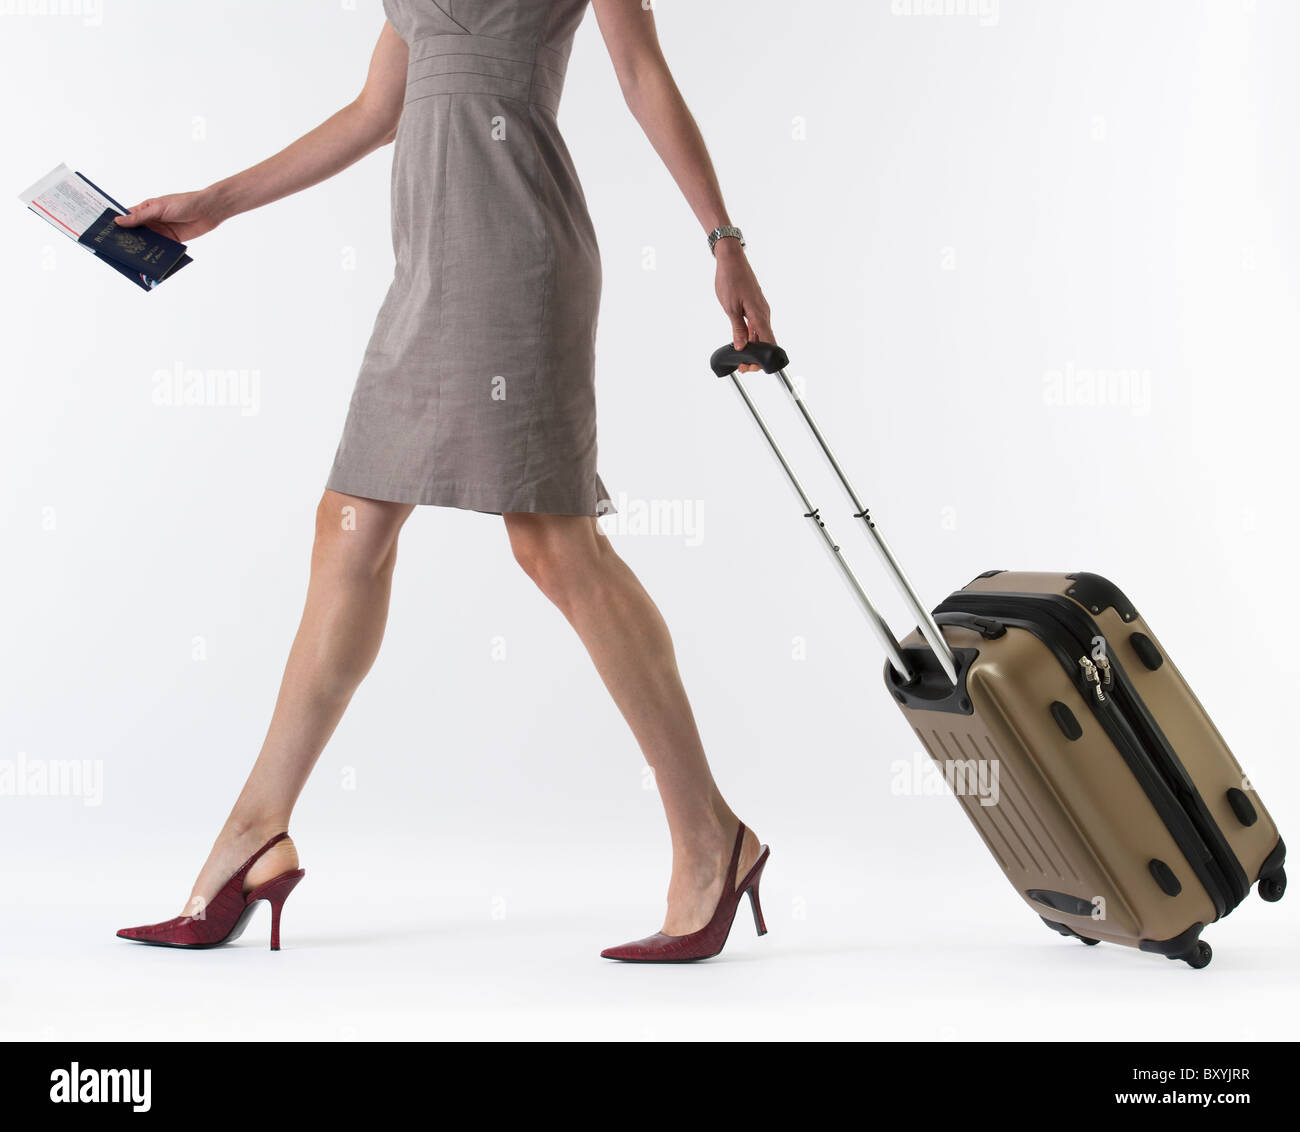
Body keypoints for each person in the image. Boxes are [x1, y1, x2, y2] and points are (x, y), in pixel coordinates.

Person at [115, 0, 772, 962]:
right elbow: (376, 108)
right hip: (425, 264)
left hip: (519, 253)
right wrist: (218, 201)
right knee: (349, 524)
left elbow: (641, 73)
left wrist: (725, 241)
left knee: (554, 545)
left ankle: (711, 841)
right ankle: (255, 831)